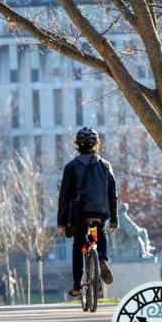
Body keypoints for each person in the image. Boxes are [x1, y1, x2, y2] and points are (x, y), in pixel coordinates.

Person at [57, 126, 118, 298]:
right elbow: (113, 194)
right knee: (101, 232)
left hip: (79, 215)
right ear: (96, 144)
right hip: (100, 212)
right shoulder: (106, 165)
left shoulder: (71, 167)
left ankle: (76, 286)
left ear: (78, 145)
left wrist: (61, 222)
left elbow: (64, 197)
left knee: (78, 246)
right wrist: (114, 219)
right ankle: (103, 259)